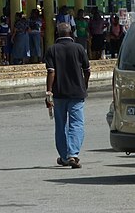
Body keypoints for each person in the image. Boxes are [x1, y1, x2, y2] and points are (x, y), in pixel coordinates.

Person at [45, 21, 90, 169]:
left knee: (61, 124)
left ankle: (64, 156)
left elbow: (51, 72)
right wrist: (85, 84)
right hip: (77, 92)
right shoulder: (79, 48)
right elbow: (87, 69)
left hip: (59, 93)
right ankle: (73, 154)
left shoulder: (52, 50)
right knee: (76, 123)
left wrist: (48, 92)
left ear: (57, 33)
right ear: (71, 32)